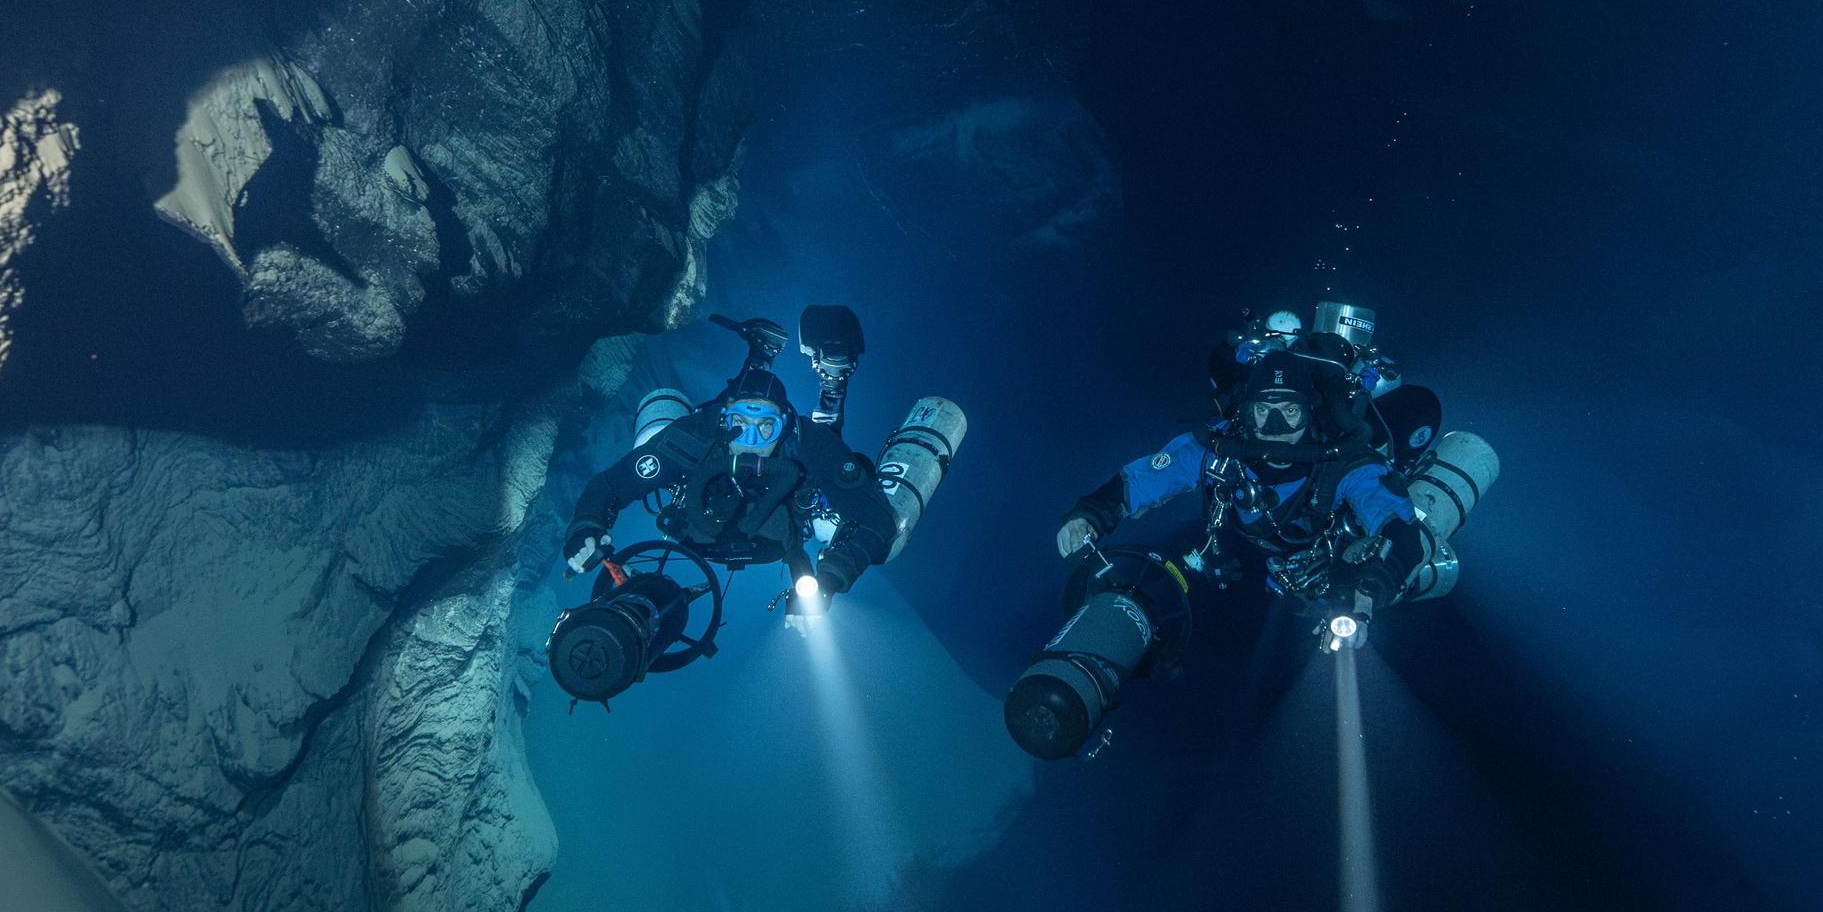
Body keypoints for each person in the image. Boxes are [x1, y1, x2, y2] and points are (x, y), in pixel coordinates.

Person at [1004, 300, 1494, 759]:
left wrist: (1365, 594)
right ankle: (1082, 680)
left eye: (1291, 411)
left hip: (1323, 564)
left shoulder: (1346, 463)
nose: (1276, 424)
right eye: (1264, 410)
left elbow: (1396, 525)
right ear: (1244, 412)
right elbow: (1139, 480)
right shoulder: (1216, 450)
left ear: (1312, 412)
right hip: (1239, 553)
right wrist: (1092, 512)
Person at [548, 306, 965, 703]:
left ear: (785, 425)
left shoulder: (808, 444)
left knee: (868, 528)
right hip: (700, 527)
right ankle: (759, 358)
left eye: (765, 426)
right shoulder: (695, 434)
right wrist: (587, 525)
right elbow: (611, 484)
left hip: (785, 523)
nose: (750, 439)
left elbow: (875, 519)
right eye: (739, 425)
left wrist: (829, 579)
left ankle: (831, 387)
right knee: (651, 445)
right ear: (723, 421)